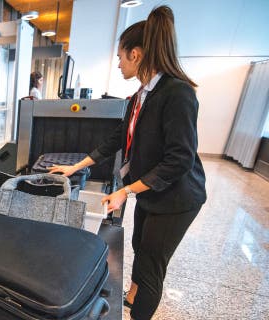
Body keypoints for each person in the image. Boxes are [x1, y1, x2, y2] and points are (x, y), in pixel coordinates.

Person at [49, 6, 206, 320]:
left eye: (120, 56)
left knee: (150, 264)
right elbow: (118, 138)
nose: (118, 63)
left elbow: (180, 159)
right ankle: (131, 298)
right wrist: (76, 167)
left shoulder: (177, 93)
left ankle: (140, 310)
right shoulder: (141, 95)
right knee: (138, 241)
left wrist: (126, 190)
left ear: (136, 54)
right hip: (152, 191)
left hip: (177, 197)